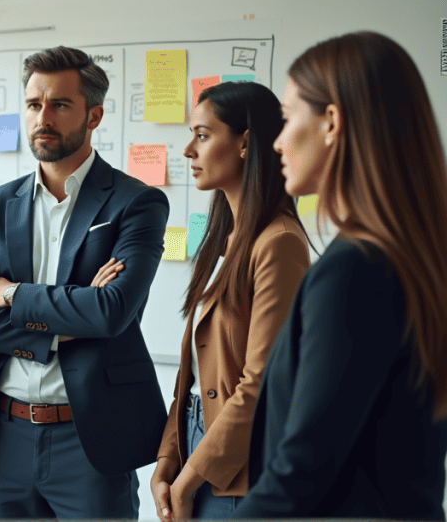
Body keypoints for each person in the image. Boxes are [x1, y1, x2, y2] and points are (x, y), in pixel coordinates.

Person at [0, 45, 169, 519]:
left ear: (93, 116)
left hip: (90, 437)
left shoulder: (137, 204)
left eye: (59, 105)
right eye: (33, 104)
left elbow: (110, 312)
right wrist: (63, 323)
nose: (42, 117)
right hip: (6, 434)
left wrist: (8, 294)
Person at [232, 31, 447, 518]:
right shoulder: (402, 257)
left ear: (332, 122)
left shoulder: (356, 270)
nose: (278, 143)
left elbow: (303, 468)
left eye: (287, 120)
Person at [142, 82, 309, 520]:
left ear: (245, 144)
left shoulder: (279, 243)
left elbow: (261, 383)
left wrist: (190, 475)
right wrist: (166, 462)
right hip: (196, 443)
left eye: (201, 135)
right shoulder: (225, 241)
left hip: (235, 461)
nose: (187, 152)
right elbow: (194, 375)